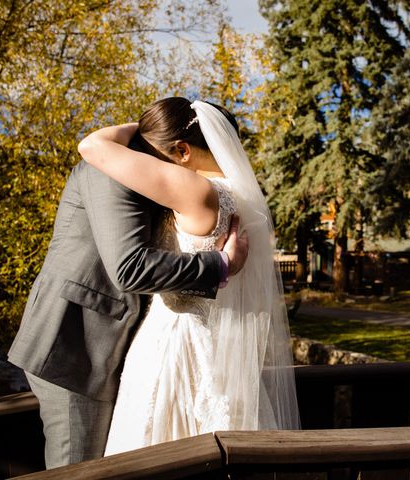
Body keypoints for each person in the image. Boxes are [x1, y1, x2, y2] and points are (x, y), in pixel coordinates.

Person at [7, 103, 249, 469]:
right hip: (76, 342)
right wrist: (220, 265)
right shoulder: (111, 171)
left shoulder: (147, 173)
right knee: (78, 468)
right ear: (182, 148)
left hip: (116, 343)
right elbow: (130, 268)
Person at [78, 98, 301, 455]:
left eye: (157, 155)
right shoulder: (239, 194)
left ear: (182, 150)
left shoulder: (195, 190)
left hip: (177, 343)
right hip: (219, 343)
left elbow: (91, 145)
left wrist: (139, 130)